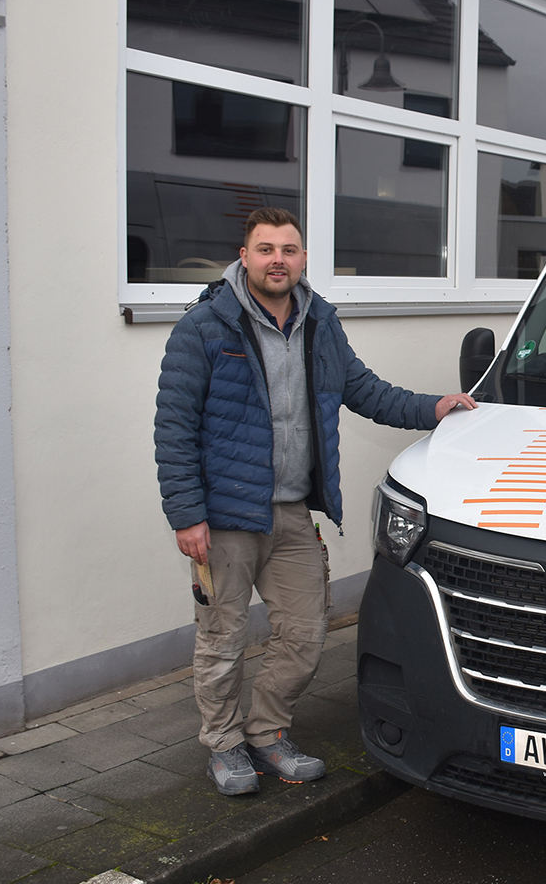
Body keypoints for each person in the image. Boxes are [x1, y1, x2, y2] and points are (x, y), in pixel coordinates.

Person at [154, 207, 476, 795]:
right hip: (222, 518)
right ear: (245, 255)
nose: (278, 259)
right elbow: (174, 427)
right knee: (223, 640)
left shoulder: (319, 322)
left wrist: (435, 407)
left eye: (290, 249)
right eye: (266, 248)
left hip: (291, 512)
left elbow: (363, 390)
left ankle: (267, 733)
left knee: (305, 634)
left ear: (303, 259)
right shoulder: (203, 327)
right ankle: (224, 746)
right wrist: (187, 515)